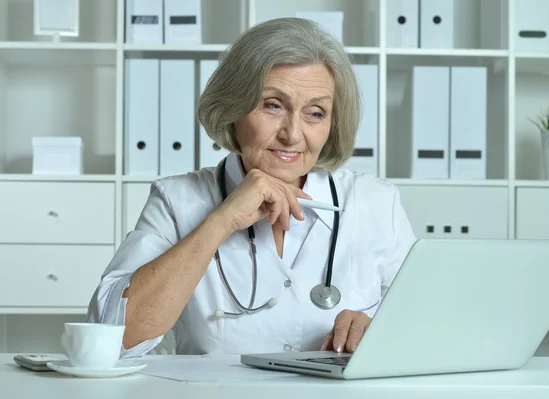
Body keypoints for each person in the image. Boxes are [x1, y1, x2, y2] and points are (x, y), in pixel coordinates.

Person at [87, 17, 416, 357]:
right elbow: (108, 341)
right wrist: (221, 221)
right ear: (233, 107)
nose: (292, 134)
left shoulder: (376, 203)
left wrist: (378, 332)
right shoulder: (177, 200)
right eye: (273, 105)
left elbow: (430, 335)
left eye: (315, 113)